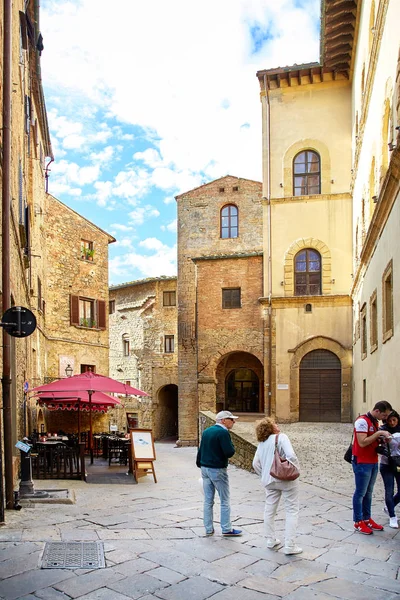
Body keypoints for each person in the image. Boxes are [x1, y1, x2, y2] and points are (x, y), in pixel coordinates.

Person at [252, 417, 301, 555]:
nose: (277, 424)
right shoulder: (281, 437)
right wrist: (295, 468)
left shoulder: (261, 443)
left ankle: (270, 540)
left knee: (269, 510)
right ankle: (290, 545)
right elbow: (291, 455)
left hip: (269, 480)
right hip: (286, 479)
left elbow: (255, 464)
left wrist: (265, 474)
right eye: (274, 423)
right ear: (270, 428)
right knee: (292, 510)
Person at [196, 410, 242, 537]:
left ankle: (208, 528)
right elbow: (229, 452)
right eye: (231, 419)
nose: (234, 422)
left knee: (208, 500)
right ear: (223, 420)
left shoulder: (206, 431)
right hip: (217, 469)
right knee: (224, 500)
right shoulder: (223, 432)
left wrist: (200, 463)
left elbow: (201, 449)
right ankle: (226, 528)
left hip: (205, 468)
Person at [352, 401, 392, 534]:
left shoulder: (375, 422)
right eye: (384, 415)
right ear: (377, 411)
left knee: (369, 493)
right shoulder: (362, 421)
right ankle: (358, 521)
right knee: (360, 493)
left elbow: (372, 440)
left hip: (373, 460)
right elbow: (362, 442)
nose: (385, 418)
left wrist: (381, 439)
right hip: (362, 461)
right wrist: (379, 434)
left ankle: (367, 518)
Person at [379, 410, 400, 528]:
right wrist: (382, 445)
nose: (392, 423)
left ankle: (388, 506)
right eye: (389, 420)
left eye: (394, 420)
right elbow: (375, 445)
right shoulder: (382, 430)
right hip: (386, 464)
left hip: (399, 463)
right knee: (389, 490)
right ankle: (393, 516)